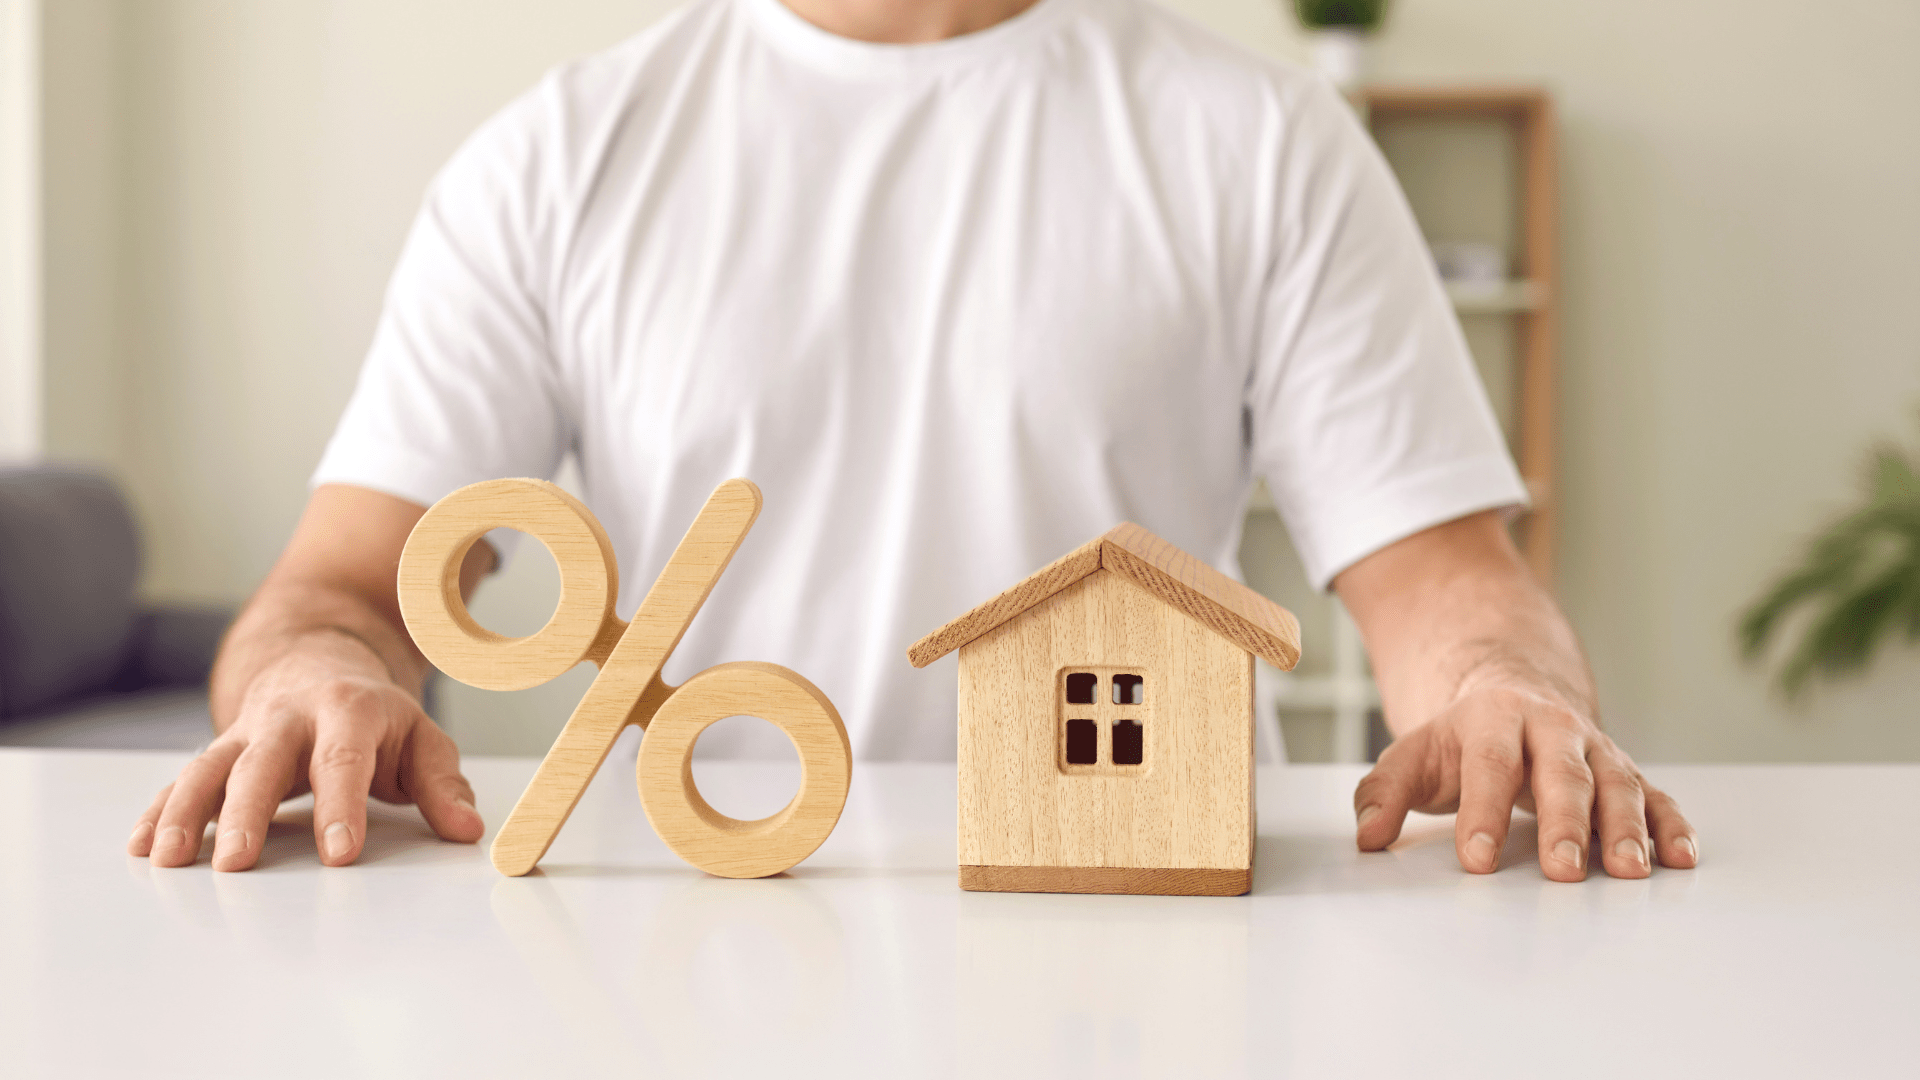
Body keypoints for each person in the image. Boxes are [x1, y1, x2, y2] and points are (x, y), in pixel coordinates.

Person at [127, 0, 1697, 882]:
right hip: (701, 924)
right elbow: (347, 587)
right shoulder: (556, 159)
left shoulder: (1269, 143)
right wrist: (312, 678)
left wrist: (1505, 691)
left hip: (1142, 921)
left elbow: (1439, 583)